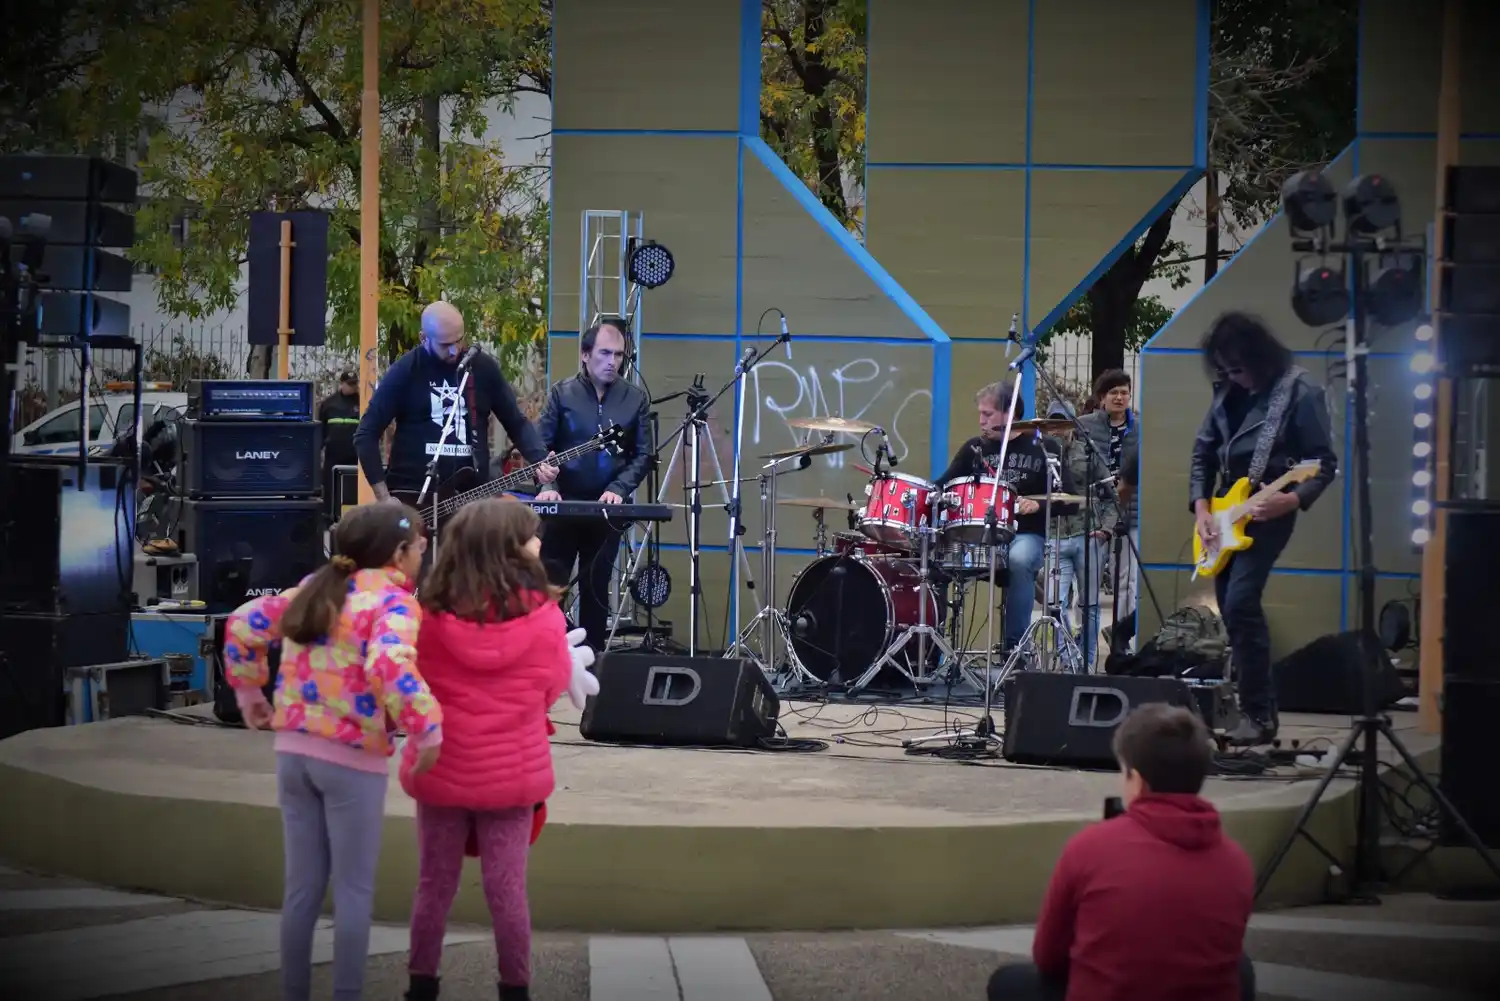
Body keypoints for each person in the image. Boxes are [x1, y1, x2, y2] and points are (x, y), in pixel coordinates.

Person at [222, 503, 444, 1001]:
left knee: (301, 890)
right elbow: (389, 663)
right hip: (351, 760)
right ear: (398, 553)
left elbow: (241, 624)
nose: (424, 549)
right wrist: (427, 728)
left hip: (293, 752)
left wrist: (250, 695)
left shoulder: (312, 588)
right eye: (419, 544)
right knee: (353, 893)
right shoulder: (394, 603)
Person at [401, 498, 597, 1001]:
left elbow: (413, 684)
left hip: (441, 768)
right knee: (507, 892)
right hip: (511, 777)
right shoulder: (545, 619)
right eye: (532, 535)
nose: (540, 542)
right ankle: (515, 989)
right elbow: (550, 688)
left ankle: (421, 985)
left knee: (433, 886)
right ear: (511, 549)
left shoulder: (430, 617)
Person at [987, 705, 1256, 1001]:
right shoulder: (1237, 861)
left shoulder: (1090, 847)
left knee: (1008, 983)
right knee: (1241, 967)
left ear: (1137, 781)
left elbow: (1048, 957)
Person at [1190, 312, 1337, 745]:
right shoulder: (1225, 393)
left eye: (1239, 368)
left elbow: (1323, 463)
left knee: (1240, 603)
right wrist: (1201, 508)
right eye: (1225, 370)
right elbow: (1203, 452)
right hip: (1223, 514)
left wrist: (1291, 499)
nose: (1234, 377)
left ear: (1260, 357)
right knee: (1230, 611)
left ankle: (1260, 713)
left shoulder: (1299, 392)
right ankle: (1243, 708)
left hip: (1270, 510)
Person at [352, 300, 558, 509]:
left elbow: (517, 423)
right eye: (445, 344)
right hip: (413, 496)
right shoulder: (406, 371)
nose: (454, 350)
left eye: (459, 341)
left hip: (470, 497)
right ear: (423, 338)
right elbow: (365, 434)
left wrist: (543, 467)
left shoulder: (482, 368)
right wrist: (384, 499)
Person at [534, 318, 652, 654]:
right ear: (585, 355)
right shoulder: (562, 393)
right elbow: (541, 447)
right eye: (604, 353)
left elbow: (643, 455)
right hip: (562, 504)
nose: (612, 361)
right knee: (551, 584)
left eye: (618, 355)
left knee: (596, 585)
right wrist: (549, 484)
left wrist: (619, 486)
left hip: (607, 508)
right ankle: (549, 656)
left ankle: (592, 660)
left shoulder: (635, 399)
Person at [936, 381, 1071, 652]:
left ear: (1010, 414)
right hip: (980, 535)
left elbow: (1071, 500)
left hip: (1026, 534)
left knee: (1019, 559)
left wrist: (1038, 505)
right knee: (936, 560)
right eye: (980, 414)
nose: (981, 421)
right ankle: (932, 648)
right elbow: (941, 485)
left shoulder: (1045, 448)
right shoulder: (975, 448)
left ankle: (1015, 648)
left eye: (988, 415)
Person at [318, 370, 362, 519]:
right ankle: (330, 517)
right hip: (334, 455)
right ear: (341, 384)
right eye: (349, 384)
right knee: (331, 489)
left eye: (354, 384)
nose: (353, 387)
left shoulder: (362, 402)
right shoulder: (329, 404)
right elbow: (321, 430)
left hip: (355, 455)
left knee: (354, 490)